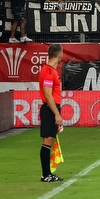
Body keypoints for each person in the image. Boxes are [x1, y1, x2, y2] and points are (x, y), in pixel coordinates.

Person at [39, 43, 65, 183]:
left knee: (50, 140)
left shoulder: (50, 71)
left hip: (51, 108)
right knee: (47, 141)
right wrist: (56, 114)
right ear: (59, 54)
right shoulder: (48, 71)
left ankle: (47, 174)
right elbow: (48, 95)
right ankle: (46, 174)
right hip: (50, 109)